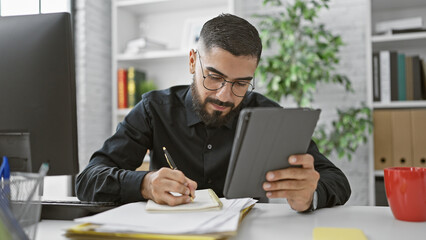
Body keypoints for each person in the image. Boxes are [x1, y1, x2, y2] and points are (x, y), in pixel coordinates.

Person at [76, 13, 351, 212]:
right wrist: (145, 184)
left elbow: (337, 180)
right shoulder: (153, 110)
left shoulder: (267, 114)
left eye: (241, 83)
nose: (224, 95)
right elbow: (88, 180)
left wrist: (311, 194)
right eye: (214, 77)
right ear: (193, 61)